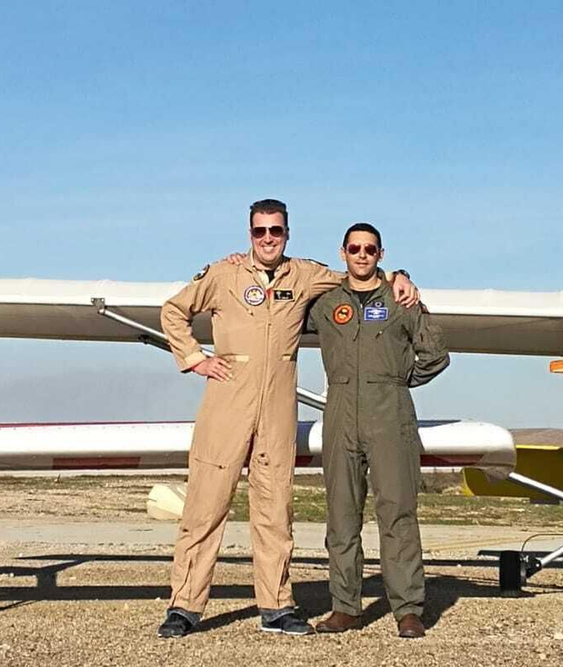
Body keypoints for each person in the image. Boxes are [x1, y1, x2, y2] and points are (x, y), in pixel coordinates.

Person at [156, 199, 418, 638]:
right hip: (227, 400)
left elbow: (358, 274)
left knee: (275, 507)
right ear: (249, 233)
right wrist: (194, 358)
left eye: (275, 231)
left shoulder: (306, 274)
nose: (268, 240)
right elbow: (173, 311)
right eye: (260, 232)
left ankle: (276, 605)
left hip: (277, 405)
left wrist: (400, 276)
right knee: (206, 505)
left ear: (287, 233)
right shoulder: (223, 275)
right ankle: (185, 605)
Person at [304, 223, 448, 639]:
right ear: (343, 252)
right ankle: (345, 607)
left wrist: (398, 380)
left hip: (390, 414)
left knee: (398, 512)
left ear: (381, 254)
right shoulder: (326, 304)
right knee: (342, 514)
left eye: (370, 249)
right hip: (340, 412)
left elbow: (436, 354)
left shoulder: (402, 300)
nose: (361, 255)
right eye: (354, 248)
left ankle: (407, 609)